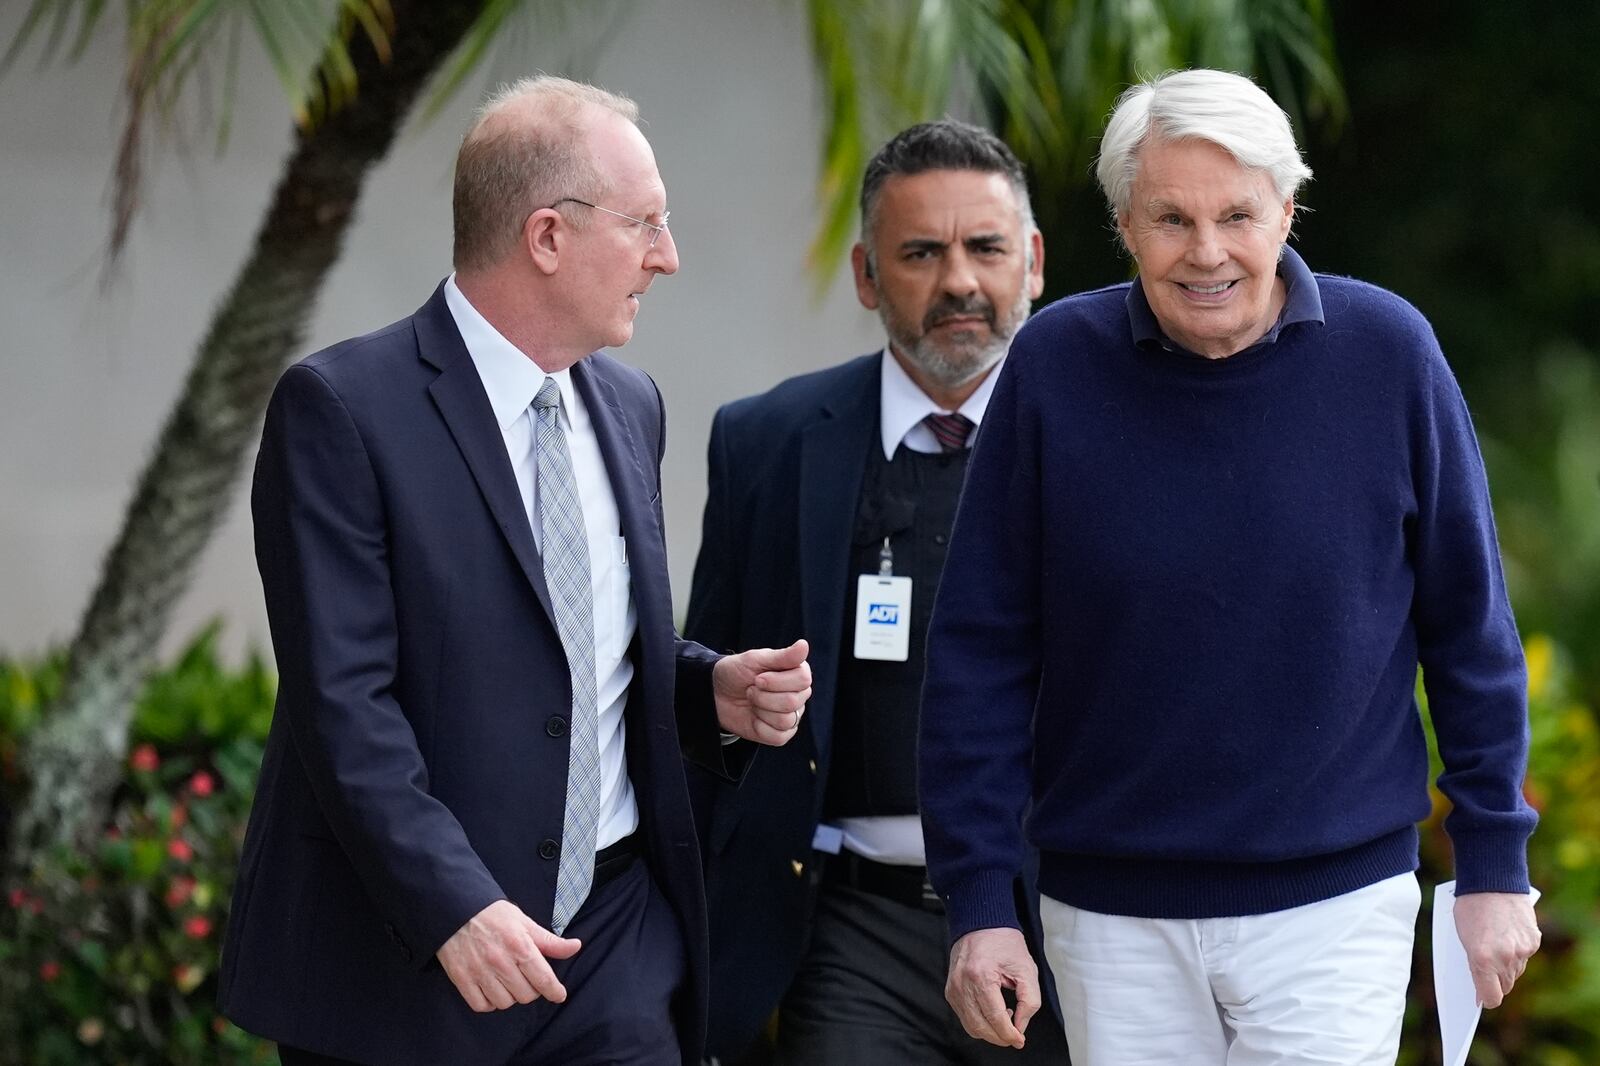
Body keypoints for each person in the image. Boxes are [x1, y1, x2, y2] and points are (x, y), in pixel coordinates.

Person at [919, 68, 1541, 1065]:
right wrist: (980, 899)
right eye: (1170, 218)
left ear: (1286, 210)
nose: (1206, 251)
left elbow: (1469, 627)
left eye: (1237, 215)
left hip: (1335, 909)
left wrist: (1493, 865)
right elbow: (980, 654)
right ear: (1124, 222)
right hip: (1110, 918)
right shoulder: (1052, 366)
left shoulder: (1389, 354)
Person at [216, 75, 813, 1066]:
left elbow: (568, 636)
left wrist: (703, 687)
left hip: (615, 940)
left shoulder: (632, 405)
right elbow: (343, 701)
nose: (667, 257)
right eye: (645, 225)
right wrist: (454, 904)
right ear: (547, 236)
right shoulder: (341, 410)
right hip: (409, 963)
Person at [684, 120, 1067, 1065]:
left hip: (1065, 924)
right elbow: (703, 691)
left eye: (985, 249)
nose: (959, 283)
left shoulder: (1111, 443)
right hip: (849, 928)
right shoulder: (765, 442)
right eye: (920, 253)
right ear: (866, 275)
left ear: (1034, 261)